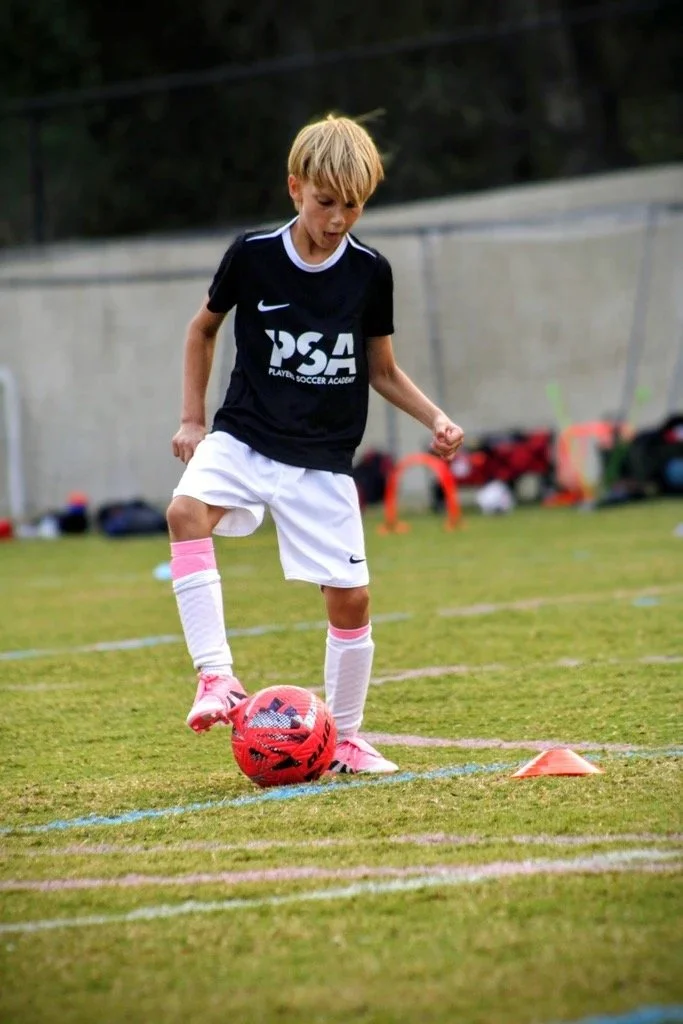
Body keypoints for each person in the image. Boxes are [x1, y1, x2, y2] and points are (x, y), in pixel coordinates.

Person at [167, 114, 464, 774]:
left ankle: (347, 737)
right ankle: (216, 677)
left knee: (350, 598)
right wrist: (192, 421)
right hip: (243, 434)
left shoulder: (369, 273)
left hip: (322, 456)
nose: (336, 219)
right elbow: (202, 330)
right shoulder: (252, 256)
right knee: (184, 513)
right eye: (325, 202)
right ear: (295, 188)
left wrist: (434, 418)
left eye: (351, 205)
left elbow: (380, 369)